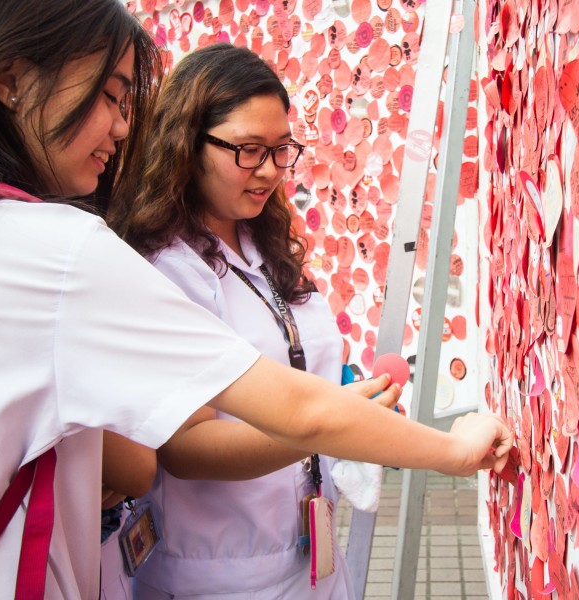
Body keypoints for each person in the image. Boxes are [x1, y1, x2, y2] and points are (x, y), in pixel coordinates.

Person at [0, 1, 512, 598]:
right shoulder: (59, 252)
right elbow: (256, 421)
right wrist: (454, 451)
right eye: (111, 95)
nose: (122, 128)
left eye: (282, 150)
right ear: (9, 79)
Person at [110, 44, 390, 599]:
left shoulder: (261, 242)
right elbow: (185, 450)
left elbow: (299, 361)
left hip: (310, 557)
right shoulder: (168, 270)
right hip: (223, 576)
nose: (267, 171)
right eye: (248, 151)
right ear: (186, 146)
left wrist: (349, 398)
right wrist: (333, 421)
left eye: (281, 150)